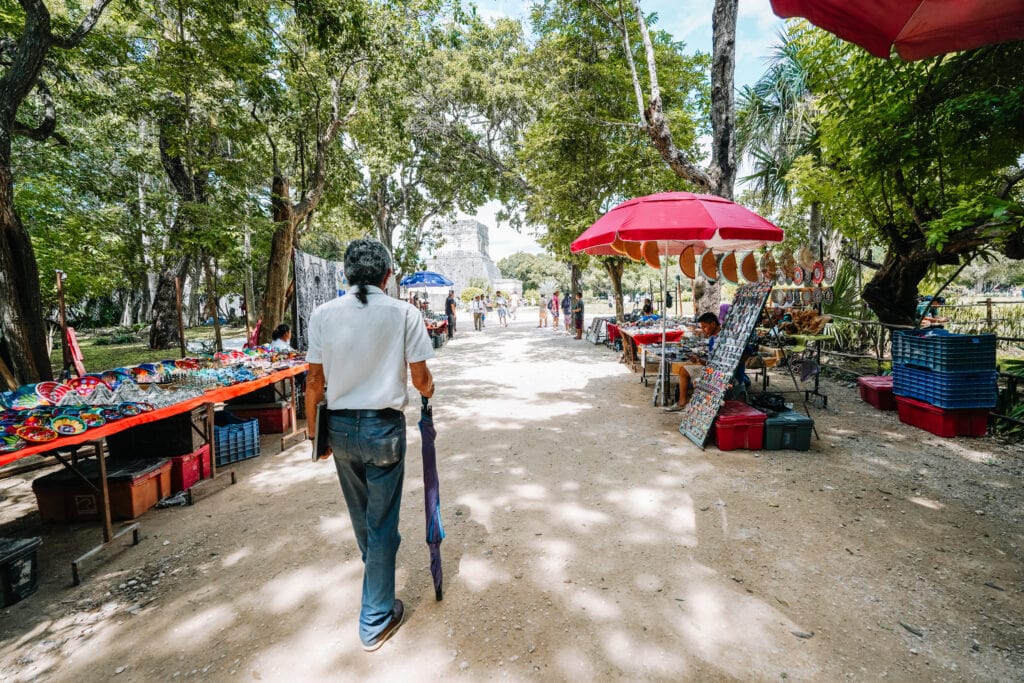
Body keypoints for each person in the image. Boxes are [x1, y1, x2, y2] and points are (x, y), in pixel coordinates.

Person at [304, 238, 434, 652]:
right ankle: (376, 616)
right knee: (380, 524)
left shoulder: (323, 314)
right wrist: (431, 390)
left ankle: (376, 575)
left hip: (340, 430)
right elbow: (420, 379)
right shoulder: (404, 313)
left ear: (345, 274)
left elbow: (313, 382)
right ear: (387, 275)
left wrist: (314, 435)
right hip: (383, 430)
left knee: (364, 517)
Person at [664, 312, 721, 413]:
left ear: (713, 324)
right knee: (684, 370)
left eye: (704, 327)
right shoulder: (712, 338)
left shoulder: (722, 337)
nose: (703, 330)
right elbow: (710, 361)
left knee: (698, 381)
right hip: (711, 367)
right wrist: (699, 360)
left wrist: (703, 362)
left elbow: (717, 363)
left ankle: (700, 409)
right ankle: (681, 403)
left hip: (718, 371)